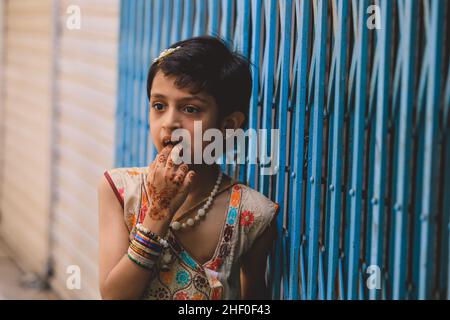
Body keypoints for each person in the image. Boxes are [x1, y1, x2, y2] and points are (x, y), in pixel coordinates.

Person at [97, 35, 279, 300]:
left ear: (228, 125)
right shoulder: (121, 192)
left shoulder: (252, 214)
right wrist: (159, 212)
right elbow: (114, 296)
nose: (169, 122)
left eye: (191, 109)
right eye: (159, 105)